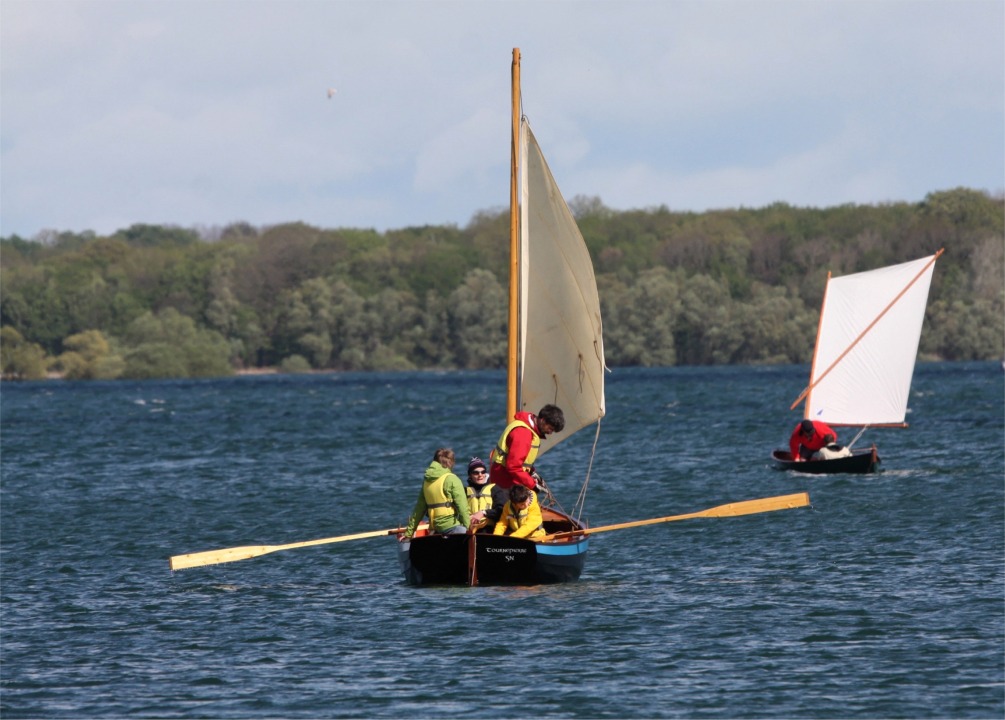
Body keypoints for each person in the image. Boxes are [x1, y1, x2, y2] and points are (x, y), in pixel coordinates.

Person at [488, 404, 565, 492]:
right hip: (504, 483)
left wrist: (532, 473)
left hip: (507, 479)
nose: (550, 433)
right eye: (550, 428)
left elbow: (522, 462)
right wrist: (532, 485)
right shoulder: (523, 433)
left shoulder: (526, 426)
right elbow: (514, 466)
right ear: (543, 420)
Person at [402, 448, 471, 540]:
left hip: (435, 529)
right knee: (465, 530)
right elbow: (463, 507)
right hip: (452, 528)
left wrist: (409, 533)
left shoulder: (426, 481)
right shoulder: (452, 479)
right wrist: (468, 528)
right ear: (451, 463)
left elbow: (419, 510)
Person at [465, 457, 507, 532]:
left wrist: (484, 513)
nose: (480, 475)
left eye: (483, 472)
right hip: (469, 529)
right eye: (476, 473)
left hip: (489, 530)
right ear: (470, 475)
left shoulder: (495, 489)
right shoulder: (464, 491)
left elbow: (502, 510)